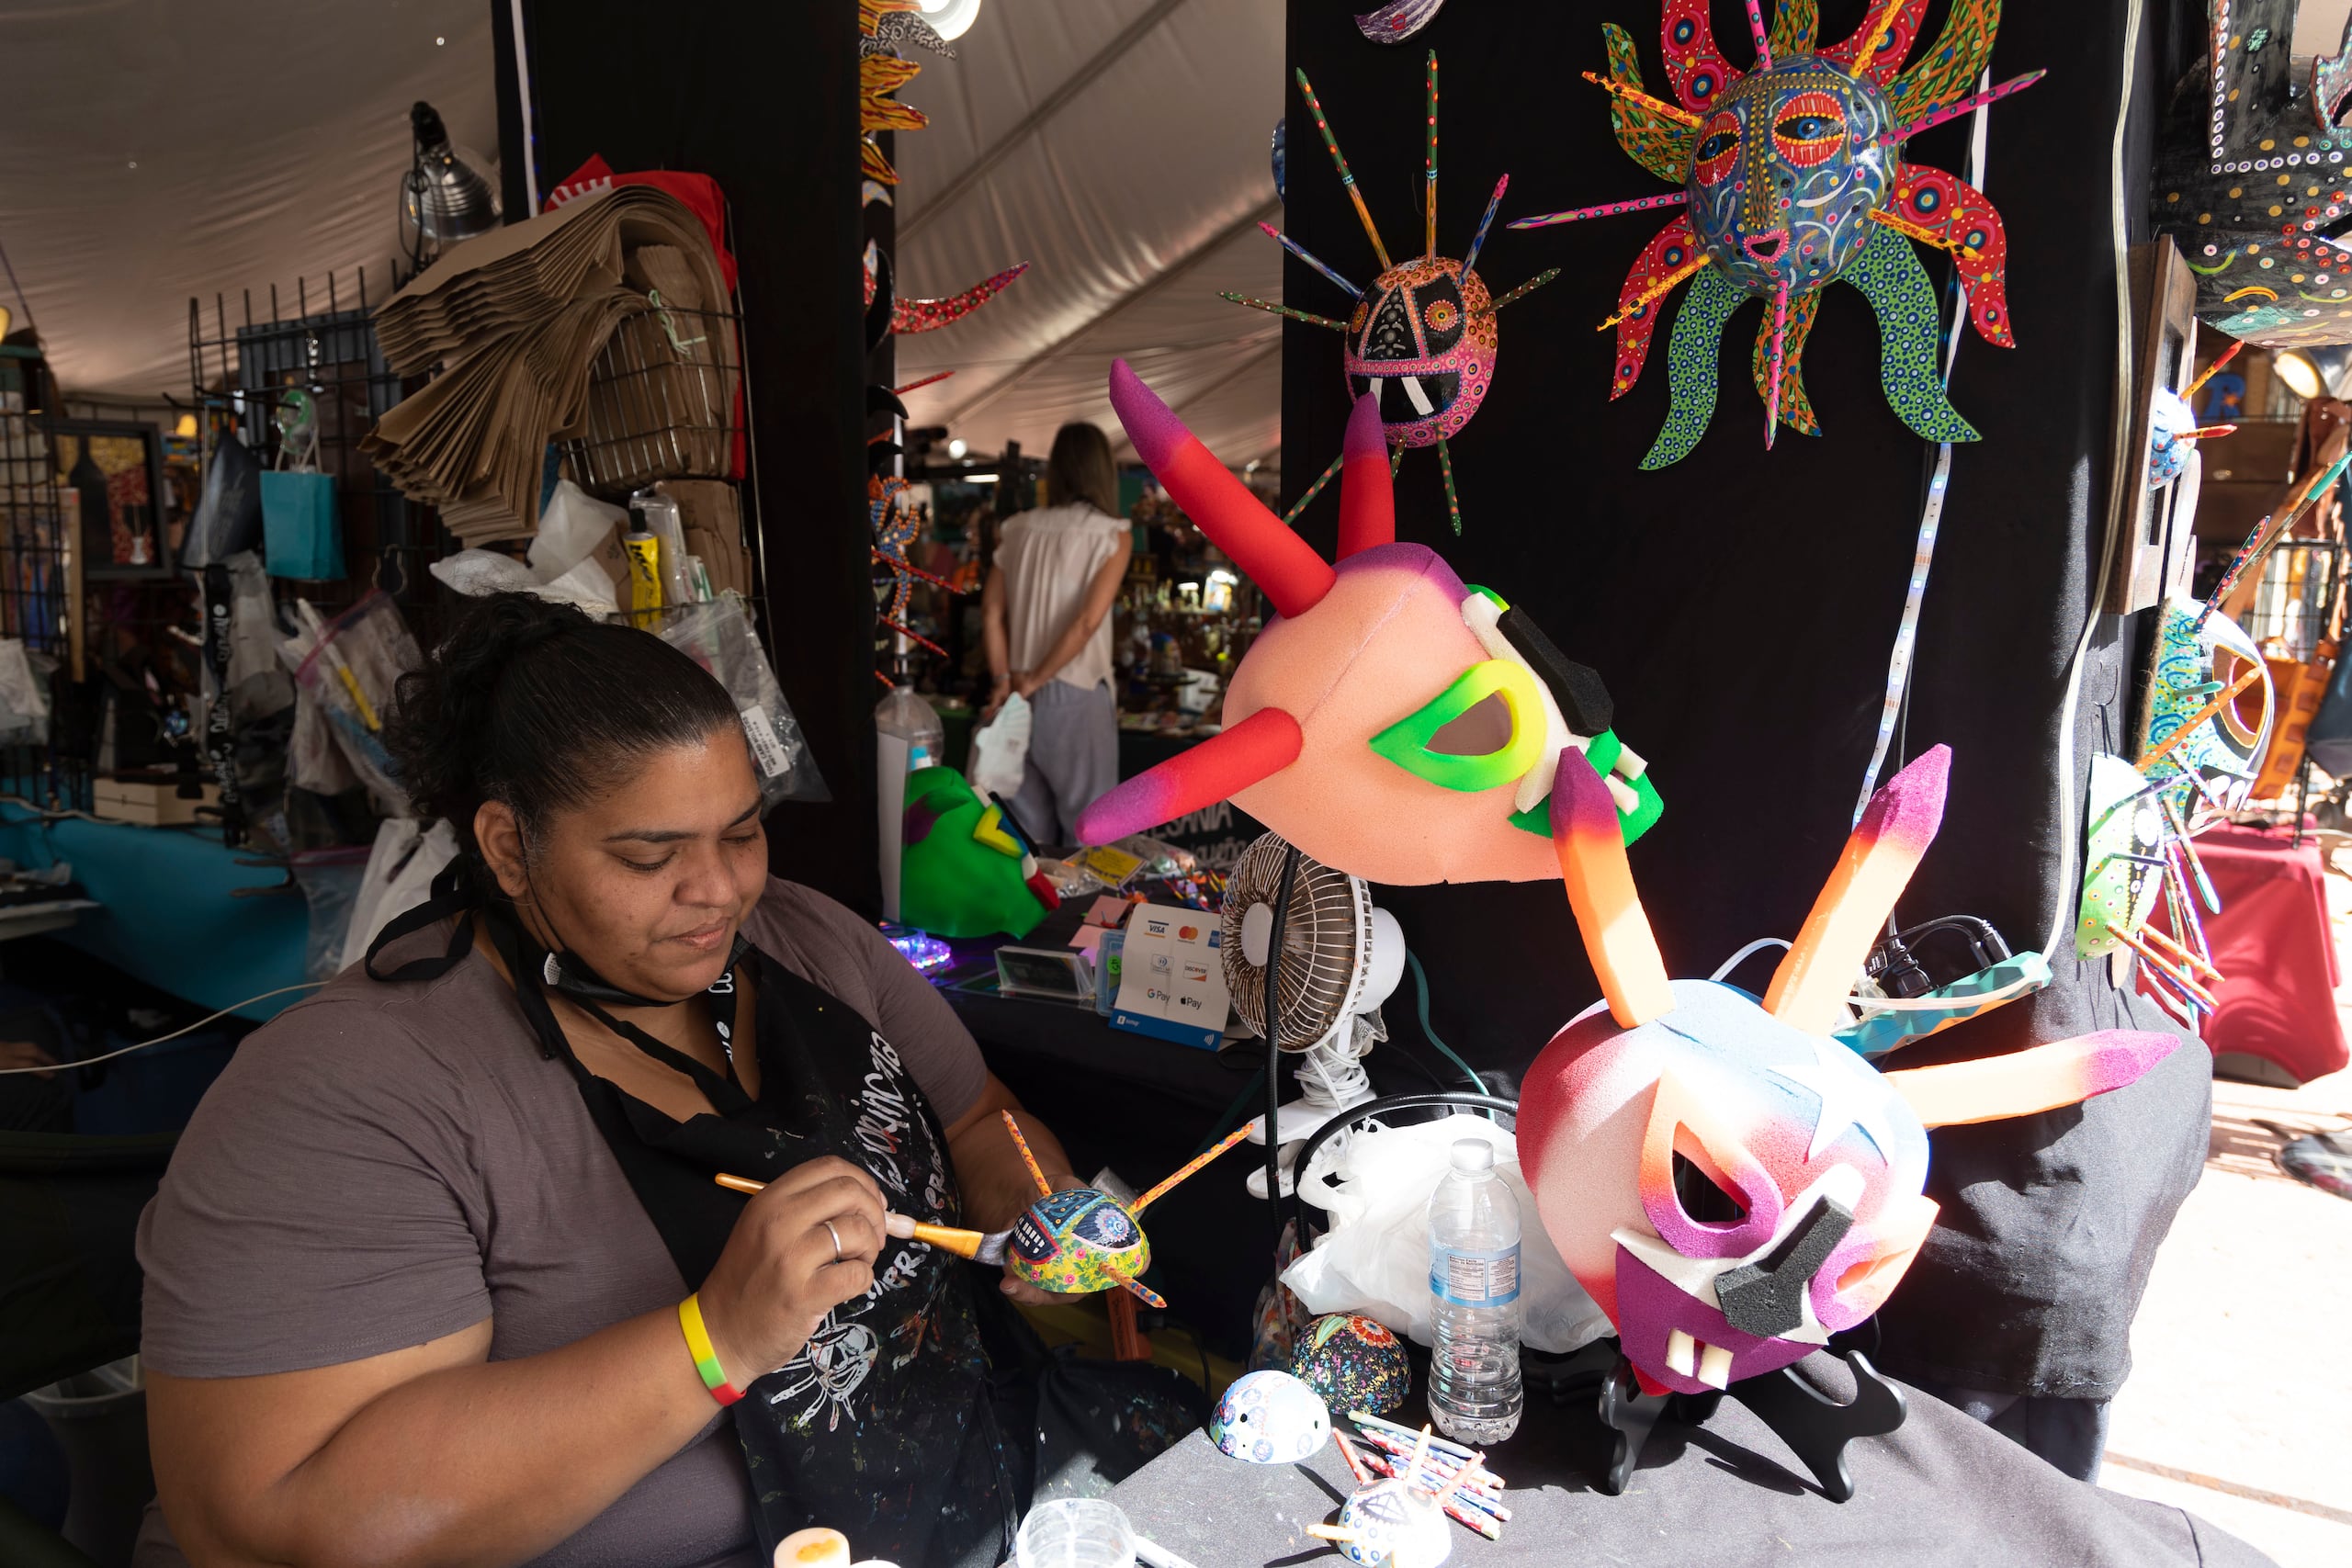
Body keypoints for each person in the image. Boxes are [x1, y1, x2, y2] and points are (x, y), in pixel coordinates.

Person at [133, 594, 1186, 1568]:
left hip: (979, 1484)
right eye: (650, 857)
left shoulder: (812, 943)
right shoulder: (354, 1091)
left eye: (740, 832)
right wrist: (711, 1337)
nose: (720, 890)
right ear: (508, 845)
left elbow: (978, 1119)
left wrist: (1040, 1206)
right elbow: (270, 1521)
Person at [982, 422, 1134, 843]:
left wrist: (1005, 681)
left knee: (1023, 839)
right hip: (1074, 692)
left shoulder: (1016, 529)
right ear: (1102, 469)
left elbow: (992, 612)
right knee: (1089, 833)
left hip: (1015, 692)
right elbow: (1086, 623)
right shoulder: (1112, 534)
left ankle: (1036, 912)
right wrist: (1037, 678)